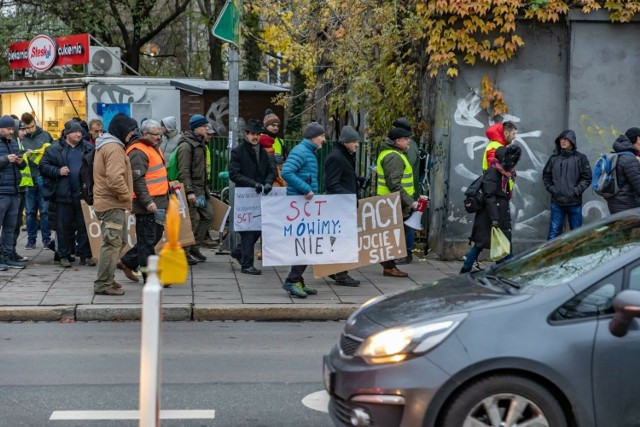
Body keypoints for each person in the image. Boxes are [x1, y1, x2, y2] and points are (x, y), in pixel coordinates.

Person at [119, 119, 169, 283]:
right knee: (147, 241)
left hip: (160, 203)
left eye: (160, 134)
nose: (159, 138)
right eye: (155, 135)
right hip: (148, 205)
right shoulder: (138, 151)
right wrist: (147, 202)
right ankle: (150, 277)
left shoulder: (153, 147)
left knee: (154, 236)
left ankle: (128, 261)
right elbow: (137, 180)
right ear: (145, 134)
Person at [39, 120, 95, 268]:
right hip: (63, 195)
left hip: (82, 194)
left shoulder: (88, 148)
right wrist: (57, 171)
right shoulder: (54, 149)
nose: (79, 134)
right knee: (63, 227)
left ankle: (85, 255)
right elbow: (43, 166)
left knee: (84, 226)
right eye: (75, 132)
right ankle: (64, 255)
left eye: (80, 132)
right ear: (67, 134)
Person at [92, 113, 136, 296]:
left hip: (110, 202)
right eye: (130, 131)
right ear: (122, 130)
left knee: (120, 241)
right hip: (111, 204)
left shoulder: (107, 145)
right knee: (111, 243)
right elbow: (115, 179)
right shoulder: (114, 148)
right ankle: (103, 284)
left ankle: (108, 276)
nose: (131, 135)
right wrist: (127, 197)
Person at [280, 121, 325, 298]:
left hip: (304, 205)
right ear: (313, 137)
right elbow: (287, 172)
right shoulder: (301, 151)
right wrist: (306, 189)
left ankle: (298, 280)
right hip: (299, 204)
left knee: (306, 244)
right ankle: (292, 281)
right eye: (321, 136)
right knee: (305, 244)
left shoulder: (308, 152)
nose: (323, 139)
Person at [461, 145, 522, 274]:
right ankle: (467, 268)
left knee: (500, 243)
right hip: (489, 215)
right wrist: (495, 218)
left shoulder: (504, 173)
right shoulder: (493, 172)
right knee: (482, 244)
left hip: (498, 213)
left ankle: (502, 270)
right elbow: (489, 196)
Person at [229, 119, 276, 275]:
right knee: (248, 231)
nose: (255, 137)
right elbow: (234, 174)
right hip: (246, 197)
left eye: (257, 134)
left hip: (260, 195)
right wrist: (252, 183)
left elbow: (271, 171)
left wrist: (268, 182)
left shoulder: (263, 151)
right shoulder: (238, 152)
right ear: (246, 134)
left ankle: (238, 251)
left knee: (257, 229)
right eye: (252, 134)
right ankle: (247, 264)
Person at [376, 126, 416, 278]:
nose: (408, 142)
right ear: (397, 141)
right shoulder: (394, 156)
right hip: (394, 202)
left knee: (394, 234)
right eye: (406, 139)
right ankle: (387, 264)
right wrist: (409, 201)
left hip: (391, 201)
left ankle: (387, 263)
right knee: (395, 235)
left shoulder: (392, 153)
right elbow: (394, 183)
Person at [324, 125, 361, 286]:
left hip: (345, 206)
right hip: (339, 207)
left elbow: (345, 178)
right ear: (346, 142)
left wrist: (359, 181)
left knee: (343, 240)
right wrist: (349, 197)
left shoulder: (345, 155)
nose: (357, 145)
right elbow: (331, 184)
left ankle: (336, 271)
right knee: (341, 241)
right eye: (354, 142)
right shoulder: (336, 157)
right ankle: (341, 274)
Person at [176, 114, 214, 264]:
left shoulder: (200, 143)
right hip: (192, 190)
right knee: (190, 221)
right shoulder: (186, 146)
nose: (207, 129)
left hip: (201, 189)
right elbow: (184, 170)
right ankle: (184, 253)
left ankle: (194, 246)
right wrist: (189, 191)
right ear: (196, 127)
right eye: (204, 126)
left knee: (208, 216)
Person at [542, 130, 592, 240]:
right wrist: (552, 189)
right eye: (561, 139)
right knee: (554, 233)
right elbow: (546, 175)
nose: (563, 141)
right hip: (557, 203)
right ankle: (549, 256)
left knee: (577, 235)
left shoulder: (580, 158)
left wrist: (576, 191)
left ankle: (578, 257)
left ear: (572, 141)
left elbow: (587, 177)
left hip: (574, 203)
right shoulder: (554, 158)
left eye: (566, 139)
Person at [21, 112, 53, 250]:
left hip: (43, 177)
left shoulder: (45, 136)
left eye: (31, 127)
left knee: (45, 211)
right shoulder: (21, 138)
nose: (29, 130)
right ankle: (31, 240)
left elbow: (52, 153)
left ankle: (46, 240)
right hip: (28, 179)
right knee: (30, 212)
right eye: (27, 128)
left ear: (35, 123)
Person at [0, 115, 27, 269]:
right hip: (2, 191)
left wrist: (21, 162)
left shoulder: (13, 143)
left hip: (14, 190)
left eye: (12, 129)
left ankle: (8, 255)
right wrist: (5, 159)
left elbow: (22, 168)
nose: (11, 132)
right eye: (8, 129)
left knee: (11, 226)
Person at [391, 117, 419, 265]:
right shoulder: (410, 146)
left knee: (408, 223)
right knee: (405, 222)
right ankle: (403, 251)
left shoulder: (409, 147)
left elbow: (407, 166)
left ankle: (407, 252)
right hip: (406, 190)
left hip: (407, 191)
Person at [605, 127, 640, 214]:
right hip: (626, 207)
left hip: (617, 204)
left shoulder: (620, 154)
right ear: (635, 139)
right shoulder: (630, 159)